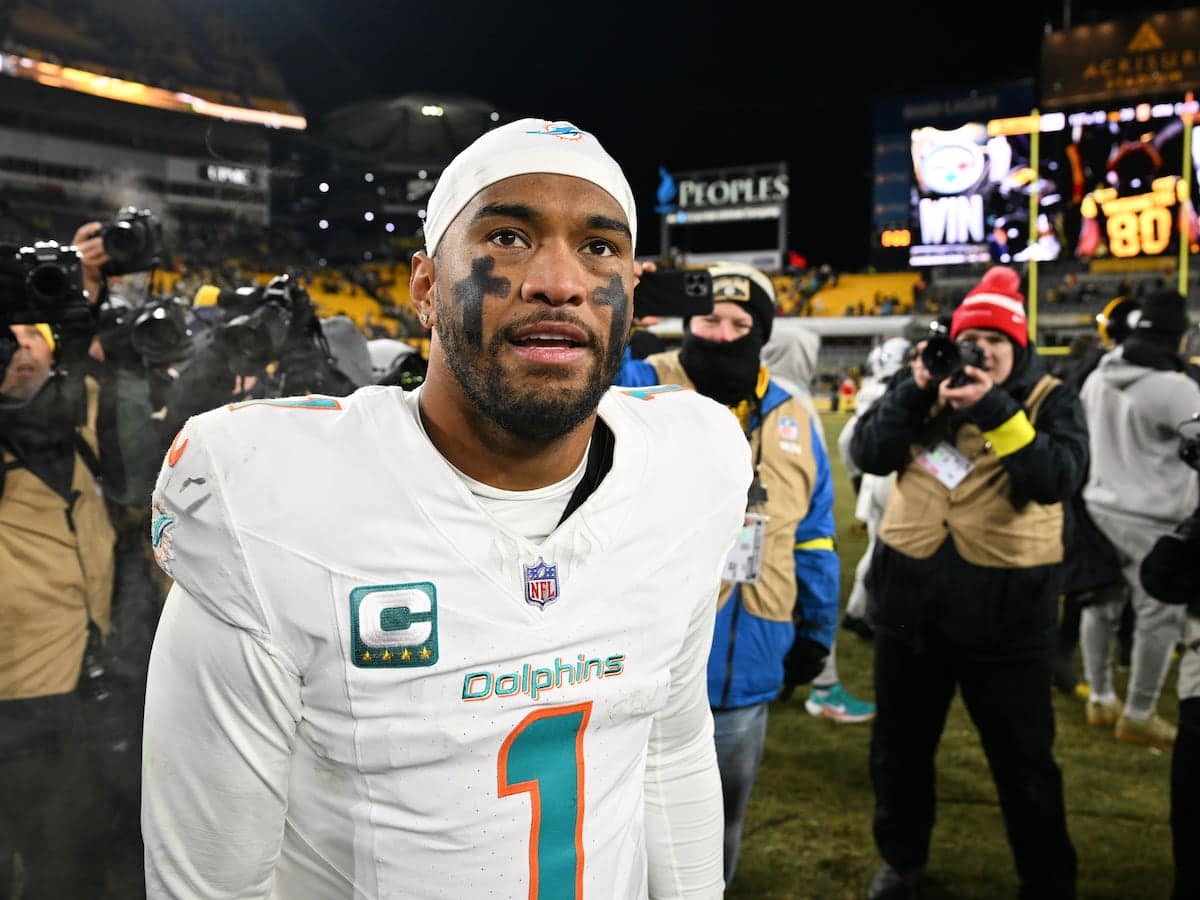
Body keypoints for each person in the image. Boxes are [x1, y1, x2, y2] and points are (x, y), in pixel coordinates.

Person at [141, 117, 751, 899]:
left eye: (598, 247)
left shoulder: (691, 466)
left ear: (630, 293)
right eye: (508, 237)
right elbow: (213, 883)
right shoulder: (272, 502)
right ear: (426, 287)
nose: (559, 281)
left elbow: (670, 746)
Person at [614, 262, 863, 886]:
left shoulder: (795, 414)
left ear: (762, 332)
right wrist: (615, 315)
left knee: (718, 824)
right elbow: (574, 398)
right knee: (621, 826)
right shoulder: (640, 381)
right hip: (642, 658)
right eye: (708, 320)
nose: (722, 334)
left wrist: (817, 630)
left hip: (749, 659)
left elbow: (814, 534)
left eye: (738, 323)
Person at [851, 265, 1085, 899]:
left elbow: (1056, 479)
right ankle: (902, 862)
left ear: (1020, 348)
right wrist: (914, 389)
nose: (979, 353)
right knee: (899, 751)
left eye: (995, 343)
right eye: (969, 341)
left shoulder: (1052, 397)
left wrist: (992, 406)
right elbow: (869, 454)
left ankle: (1047, 880)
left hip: (1008, 616)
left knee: (1024, 762)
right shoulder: (918, 385)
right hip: (911, 608)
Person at [1078, 287, 1200, 747]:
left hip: (1098, 505)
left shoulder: (1098, 375)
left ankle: (1100, 698)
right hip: (1152, 517)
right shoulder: (1176, 388)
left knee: (1100, 605)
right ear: (1179, 337)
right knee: (1158, 617)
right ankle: (1139, 713)